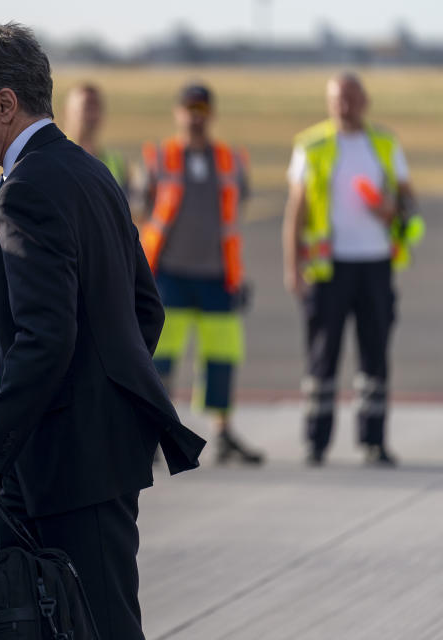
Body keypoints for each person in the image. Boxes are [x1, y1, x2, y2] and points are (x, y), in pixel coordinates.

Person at [0, 24, 205, 640]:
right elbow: (145, 309)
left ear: (4, 105)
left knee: (98, 626)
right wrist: (106, 400)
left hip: (67, 464)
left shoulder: (28, 187)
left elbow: (44, 339)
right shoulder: (86, 170)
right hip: (98, 454)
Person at [283, 72, 423, 467]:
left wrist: (390, 210)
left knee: (375, 353)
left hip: (376, 263)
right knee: (322, 356)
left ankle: (373, 441)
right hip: (329, 267)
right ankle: (316, 440)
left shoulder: (383, 143)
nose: (344, 105)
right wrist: (293, 265)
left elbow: (409, 201)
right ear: (329, 103)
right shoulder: (312, 146)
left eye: (351, 97)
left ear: (366, 101)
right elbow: (296, 212)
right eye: (338, 98)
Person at [141, 83, 263, 465]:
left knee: (222, 357)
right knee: (159, 359)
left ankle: (223, 433)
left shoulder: (230, 159)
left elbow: (237, 205)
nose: (195, 116)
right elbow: (140, 209)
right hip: (169, 274)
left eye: (202, 108)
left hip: (218, 274)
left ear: (211, 113)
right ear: (177, 112)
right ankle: (154, 434)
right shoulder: (160, 157)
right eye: (189, 108)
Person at [62, 83, 128, 193]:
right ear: (66, 112)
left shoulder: (116, 162)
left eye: (96, 107)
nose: (92, 114)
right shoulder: (55, 154)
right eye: (86, 107)